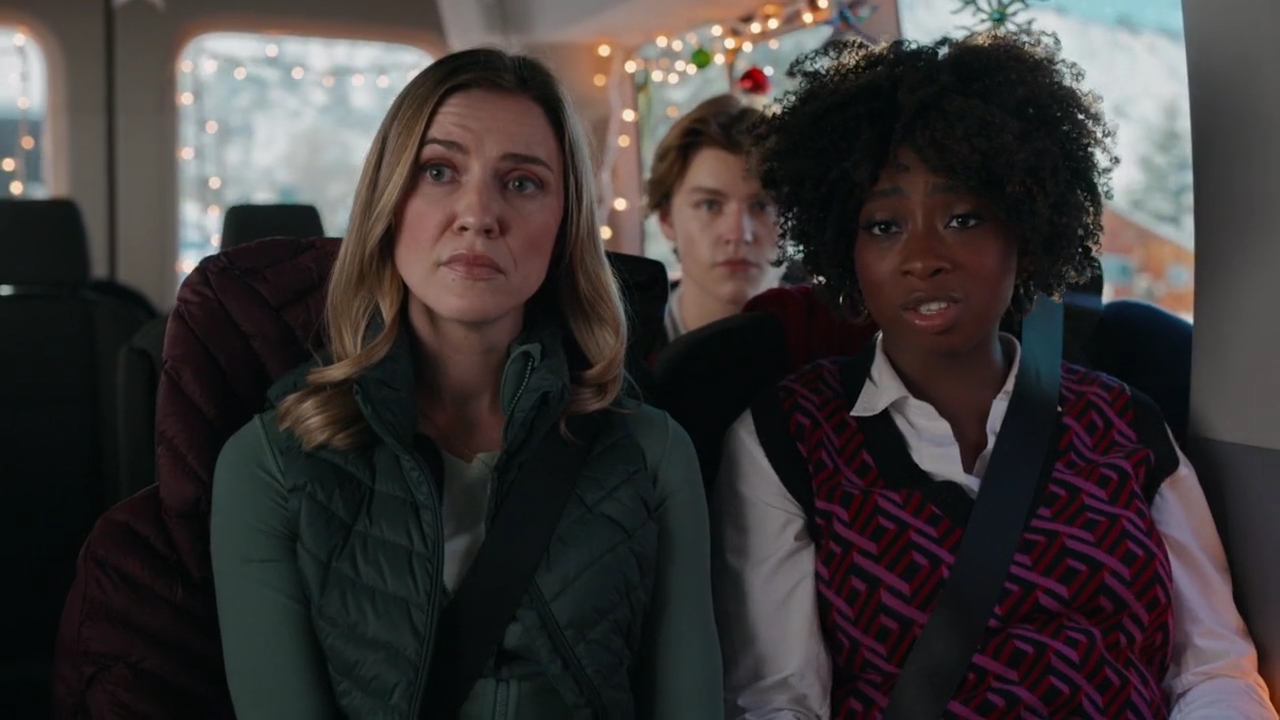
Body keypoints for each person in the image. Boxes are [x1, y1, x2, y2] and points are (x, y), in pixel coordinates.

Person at [712, 32, 1277, 718]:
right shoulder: (790, 439)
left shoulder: (1125, 426)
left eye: (963, 218)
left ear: (1025, 232)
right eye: (884, 225)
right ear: (844, 246)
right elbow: (780, 702)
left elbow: (1213, 671)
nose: (923, 256)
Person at [210, 47, 722, 719]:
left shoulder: (653, 453)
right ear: (389, 203)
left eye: (522, 182)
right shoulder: (270, 464)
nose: (478, 213)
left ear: (565, 224)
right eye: (439, 171)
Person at [645, 94, 785, 348]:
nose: (738, 233)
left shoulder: (841, 346)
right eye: (710, 205)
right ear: (667, 219)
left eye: (761, 206)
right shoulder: (618, 353)